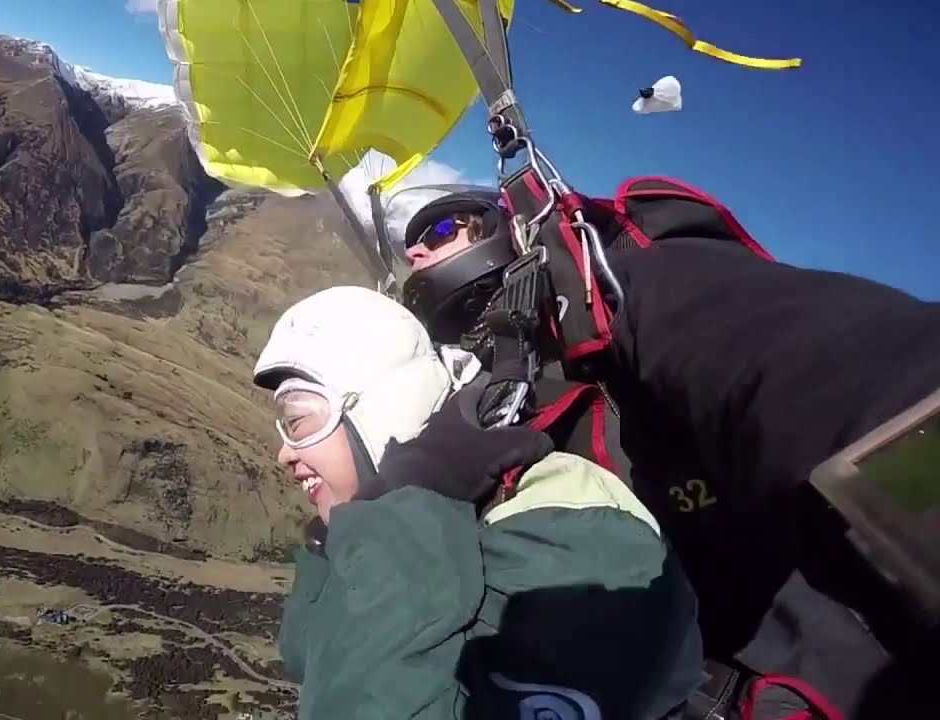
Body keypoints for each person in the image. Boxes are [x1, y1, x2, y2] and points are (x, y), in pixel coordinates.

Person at [397, 183, 940, 719]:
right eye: (410, 243)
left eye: (441, 229)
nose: (415, 249)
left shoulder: (624, 295)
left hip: (826, 674)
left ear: (502, 226)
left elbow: (822, 365)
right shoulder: (493, 395)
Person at [252, 285, 705, 720]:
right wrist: (356, 534)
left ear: (379, 408)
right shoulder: (386, 527)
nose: (284, 454)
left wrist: (397, 517)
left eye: (298, 422)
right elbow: (313, 658)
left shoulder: (578, 531)